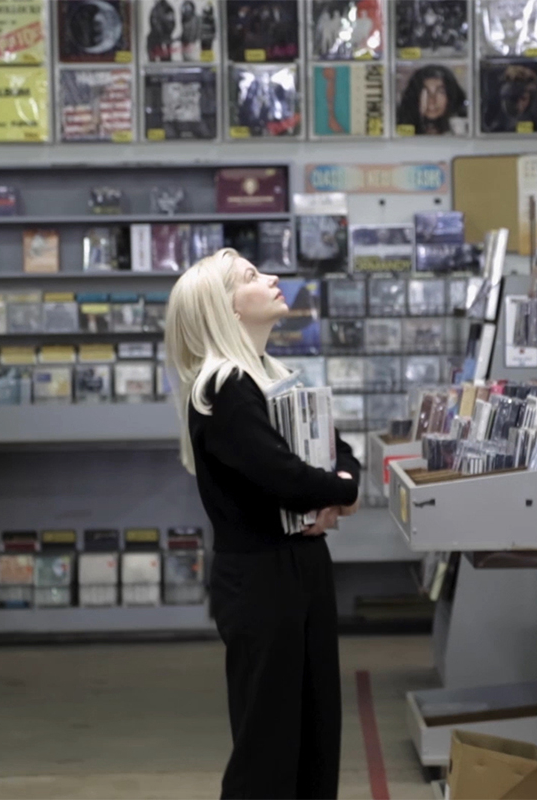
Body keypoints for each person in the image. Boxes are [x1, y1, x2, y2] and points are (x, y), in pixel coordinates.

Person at [165, 248, 361, 799]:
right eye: (252, 276)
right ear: (224, 309)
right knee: (269, 746)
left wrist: (338, 484)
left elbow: (337, 450)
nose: (273, 278)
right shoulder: (221, 388)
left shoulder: (274, 376)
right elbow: (286, 476)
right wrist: (342, 489)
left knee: (316, 731)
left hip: (301, 566)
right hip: (260, 578)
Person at [396, 63, 467, 135]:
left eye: (440, 92)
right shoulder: (398, 129)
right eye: (425, 92)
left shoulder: (462, 129)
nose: (432, 100)